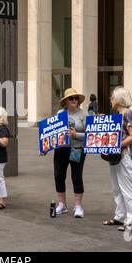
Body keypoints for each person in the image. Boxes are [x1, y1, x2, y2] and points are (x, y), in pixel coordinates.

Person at [103, 86, 132, 232]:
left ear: (119, 100)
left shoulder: (127, 113)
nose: (111, 100)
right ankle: (120, 215)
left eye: (112, 97)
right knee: (117, 188)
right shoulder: (117, 115)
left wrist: (117, 145)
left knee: (127, 188)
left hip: (124, 155)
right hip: (116, 156)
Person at [52, 88, 88, 218]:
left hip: (76, 149)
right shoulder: (60, 113)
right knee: (59, 175)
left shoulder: (84, 115)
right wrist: (45, 147)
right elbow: (51, 132)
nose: (74, 100)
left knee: (76, 176)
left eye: (76, 98)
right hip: (61, 149)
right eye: (71, 98)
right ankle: (62, 204)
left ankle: (78, 206)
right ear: (65, 101)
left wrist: (75, 134)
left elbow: (90, 135)